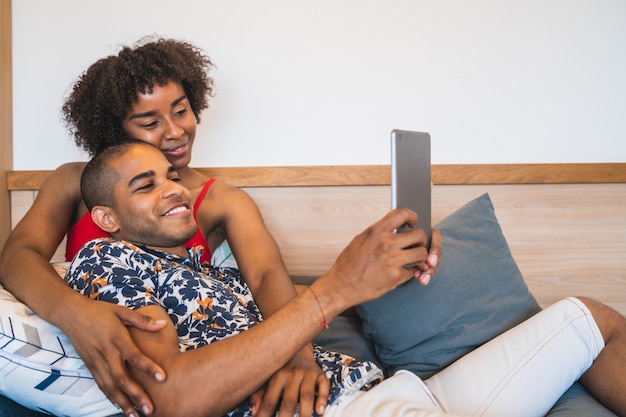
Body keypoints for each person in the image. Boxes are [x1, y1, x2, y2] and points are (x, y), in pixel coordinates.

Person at [0, 37, 443, 417]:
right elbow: (18, 258)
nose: (174, 132)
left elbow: (269, 276)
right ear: (113, 130)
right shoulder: (76, 189)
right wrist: (77, 315)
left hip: (279, 353)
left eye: (182, 110)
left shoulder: (218, 201)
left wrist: (300, 357)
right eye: (150, 123)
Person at [66, 139, 626, 417]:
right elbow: (172, 399)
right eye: (145, 185)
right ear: (106, 220)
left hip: (400, 391)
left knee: (591, 318)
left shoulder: (201, 266)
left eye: (170, 175)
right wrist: (336, 288)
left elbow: (270, 279)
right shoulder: (107, 264)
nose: (173, 187)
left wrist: (378, 263)